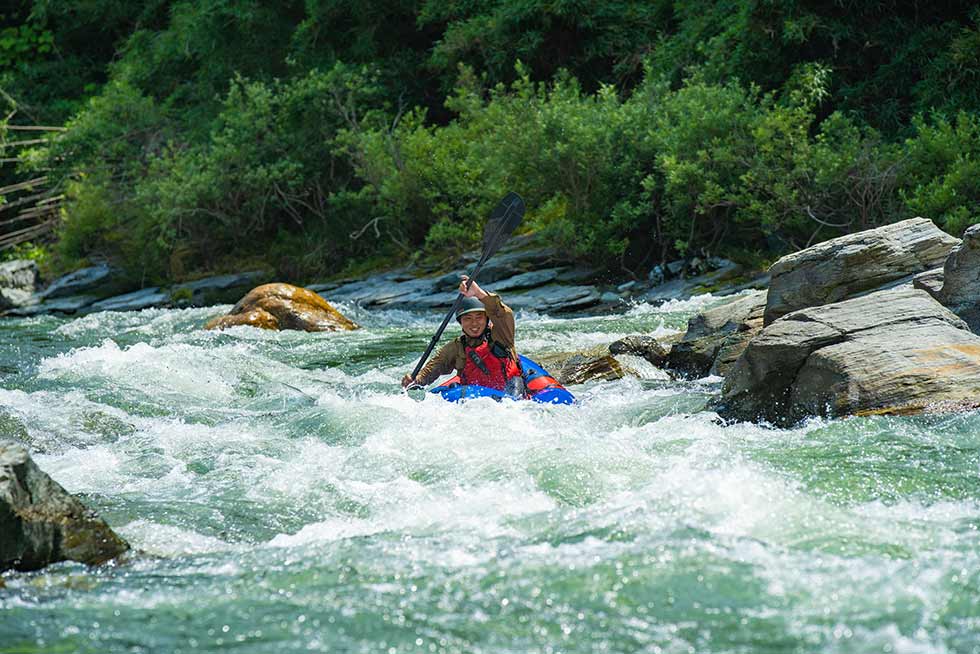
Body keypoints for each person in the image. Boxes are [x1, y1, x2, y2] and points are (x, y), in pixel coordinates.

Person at [402, 275, 525, 397]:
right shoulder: (456, 347)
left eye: (479, 317)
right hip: (475, 399)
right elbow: (435, 367)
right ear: (461, 322)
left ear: (487, 319)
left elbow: (503, 313)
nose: (474, 323)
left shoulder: (501, 335)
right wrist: (415, 381)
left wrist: (478, 293)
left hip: (509, 395)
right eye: (467, 318)